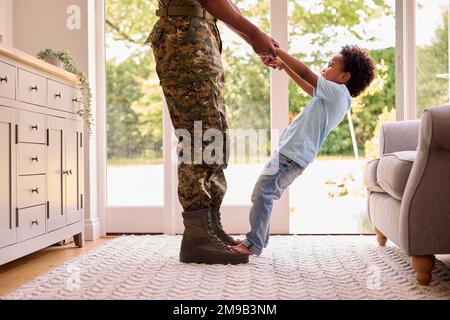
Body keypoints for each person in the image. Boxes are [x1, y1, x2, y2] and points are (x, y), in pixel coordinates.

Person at [145, 0, 279, 264]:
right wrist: (254, 34)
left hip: (198, 31)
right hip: (185, 33)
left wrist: (255, 38)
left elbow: (224, 4)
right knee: (199, 134)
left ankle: (209, 226)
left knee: (212, 130)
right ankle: (197, 237)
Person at [228, 45, 376, 256]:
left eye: (330, 65)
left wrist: (277, 52)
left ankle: (253, 244)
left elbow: (307, 74)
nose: (325, 69)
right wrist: (284, 66)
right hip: (291, 154)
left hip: (292, 156)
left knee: (263, 193)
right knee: (264, 193)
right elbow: (308, 85)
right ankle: (256, 239)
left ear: (344, 77)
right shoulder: (331, 95)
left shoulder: (338, 94)